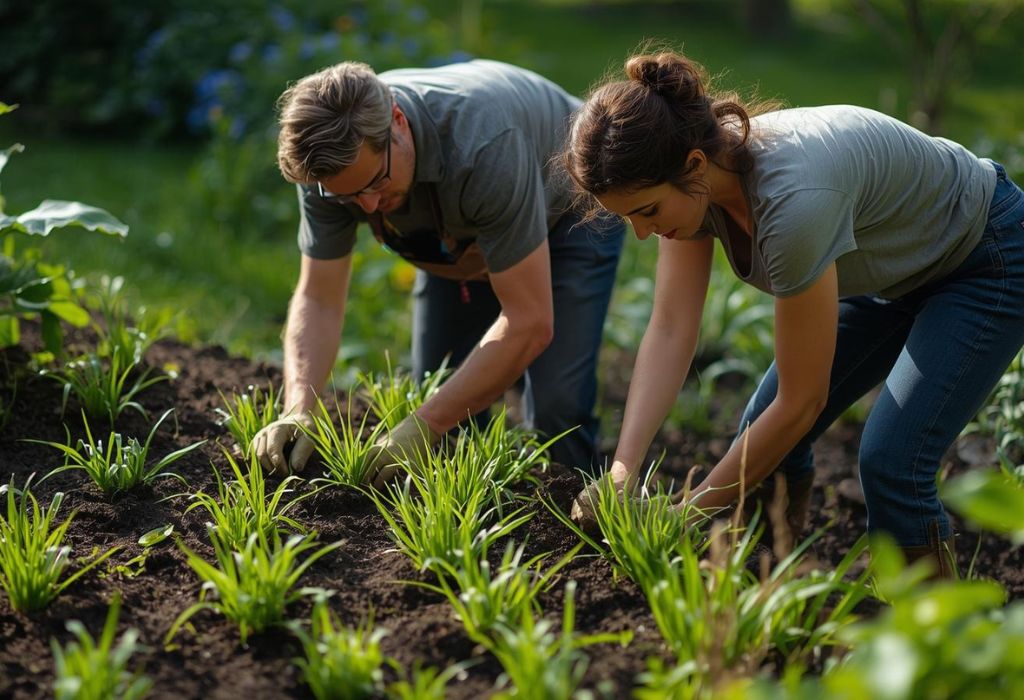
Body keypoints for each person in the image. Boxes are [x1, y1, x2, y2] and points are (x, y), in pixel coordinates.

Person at [564, 49, 1024, 578]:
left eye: (647, 211)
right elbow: (670, 327)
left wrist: (684, 515)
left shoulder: (792, 203)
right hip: (885, 270)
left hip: (982, 255)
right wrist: (623, 471)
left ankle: (940, 639)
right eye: (628, 219)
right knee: (765, 443)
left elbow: (802, 401)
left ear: (693, 166)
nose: (643, 232)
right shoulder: (692, 188)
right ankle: (766, 586)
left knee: (892, 462)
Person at [252, 59, 624, 483]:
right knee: (441, 392)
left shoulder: (483, 145)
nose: (368, 206)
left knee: (558, 406)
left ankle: (583, 511)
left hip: (568, 203)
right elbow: (318, 296)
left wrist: (423, 424)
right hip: (459, 227)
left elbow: (530, 321)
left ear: (397, 122)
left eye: (375, 183)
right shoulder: (326, 166)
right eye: (348, 197)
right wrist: (298, 408)